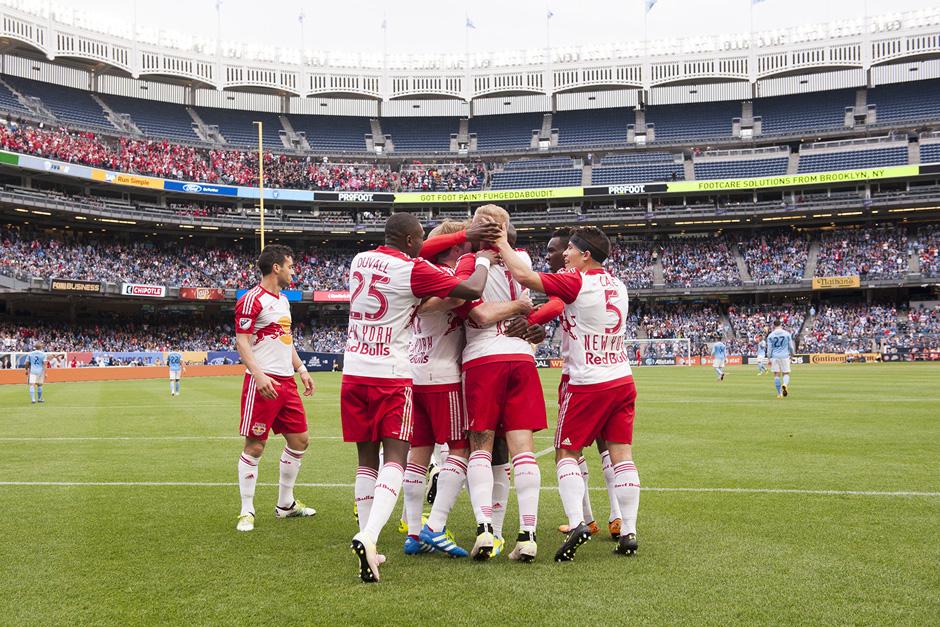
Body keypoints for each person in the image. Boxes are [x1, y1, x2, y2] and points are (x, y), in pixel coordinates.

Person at [343, 213, 494, 583]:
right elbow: (473, 290)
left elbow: (421, 253)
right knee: (397, 456)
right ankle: (368, 535)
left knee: (367, 460)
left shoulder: (359, 260)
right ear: (411, 240)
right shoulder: (412, 270)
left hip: (353, 369)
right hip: (390, 374)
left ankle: (374, 542)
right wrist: (486, 255)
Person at [495, 224, 641, 561]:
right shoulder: (618, 284)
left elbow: (525, 276)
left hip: (587, 382)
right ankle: (629, 531)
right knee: (622, 456)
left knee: (566, 453)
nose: (565, 255)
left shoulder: (577, 279)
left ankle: (578, 522)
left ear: (585, 254)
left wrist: (502, 243)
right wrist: (537, 317)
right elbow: (561, 306)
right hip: (621, 378)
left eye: (570, 250)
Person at [402, 219, 532, 558]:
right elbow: (475, 307)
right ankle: (436, 526)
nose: (468, 249)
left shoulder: (415, 274)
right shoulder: (448, 278)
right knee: (461, 449)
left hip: (413, 373)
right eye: (463, 245)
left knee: (418, 456)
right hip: (444, 376)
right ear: (456, 248)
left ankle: (414, 532)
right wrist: (518, 305)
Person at [454, 205, 548, 563]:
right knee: (522, 448)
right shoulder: (521, 257)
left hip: (483, 358)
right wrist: (521, 308)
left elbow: (478, 314)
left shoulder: (469, 264)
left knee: (481, 444)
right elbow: (527, 301)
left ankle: (486, 529)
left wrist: (511, 310)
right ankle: (527, 534)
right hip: (522, 358)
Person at [546, 228, 623, 542]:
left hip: (580, 374)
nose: (550, 255)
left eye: (554, 249)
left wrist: (531, 319)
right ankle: (610, 517)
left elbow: (552, 307)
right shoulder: (600, 281)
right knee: (608, 447)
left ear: (574, 251)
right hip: (607, 369)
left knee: (568, 448)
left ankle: (588, 518)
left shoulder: (570, 277)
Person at [234, 244, 317, 533]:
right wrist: (258, 375)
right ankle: (246, 510)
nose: (294, 271)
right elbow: (242, 342)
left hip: (286, 382)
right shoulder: (251, 300)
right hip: (263, 383)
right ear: (276, 268)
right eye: (291, 266)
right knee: (255, 445)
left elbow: (286, 340)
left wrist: (301, 369)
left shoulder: (283, 301)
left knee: (300, 440)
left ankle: (285, 505)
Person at [767, 319, 796, 398]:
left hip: (775, 356)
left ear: (774, 325)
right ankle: (785, 385)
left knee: (776, 374)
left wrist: (769, 358)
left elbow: (769, 349)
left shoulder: (770, 335)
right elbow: (791, 347)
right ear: (781, 325)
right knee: (786, 373)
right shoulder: (787, 334)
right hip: (785, 356)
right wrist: (792, 355)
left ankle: (779, 393)